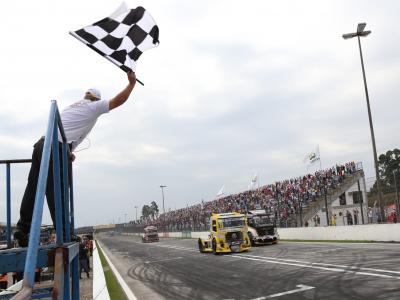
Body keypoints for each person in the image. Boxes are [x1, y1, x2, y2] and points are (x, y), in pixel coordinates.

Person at [14, 72, 137, 247]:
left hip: (41, 145)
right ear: (96, 99)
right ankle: (64, 233)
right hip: (54, 149)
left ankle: (22, 229)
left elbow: (65, 132)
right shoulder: (92, 106)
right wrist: (131, 84)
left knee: (33, 188)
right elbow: (118, 101)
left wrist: (68, 152)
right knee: (57, 191)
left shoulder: (73, 106)